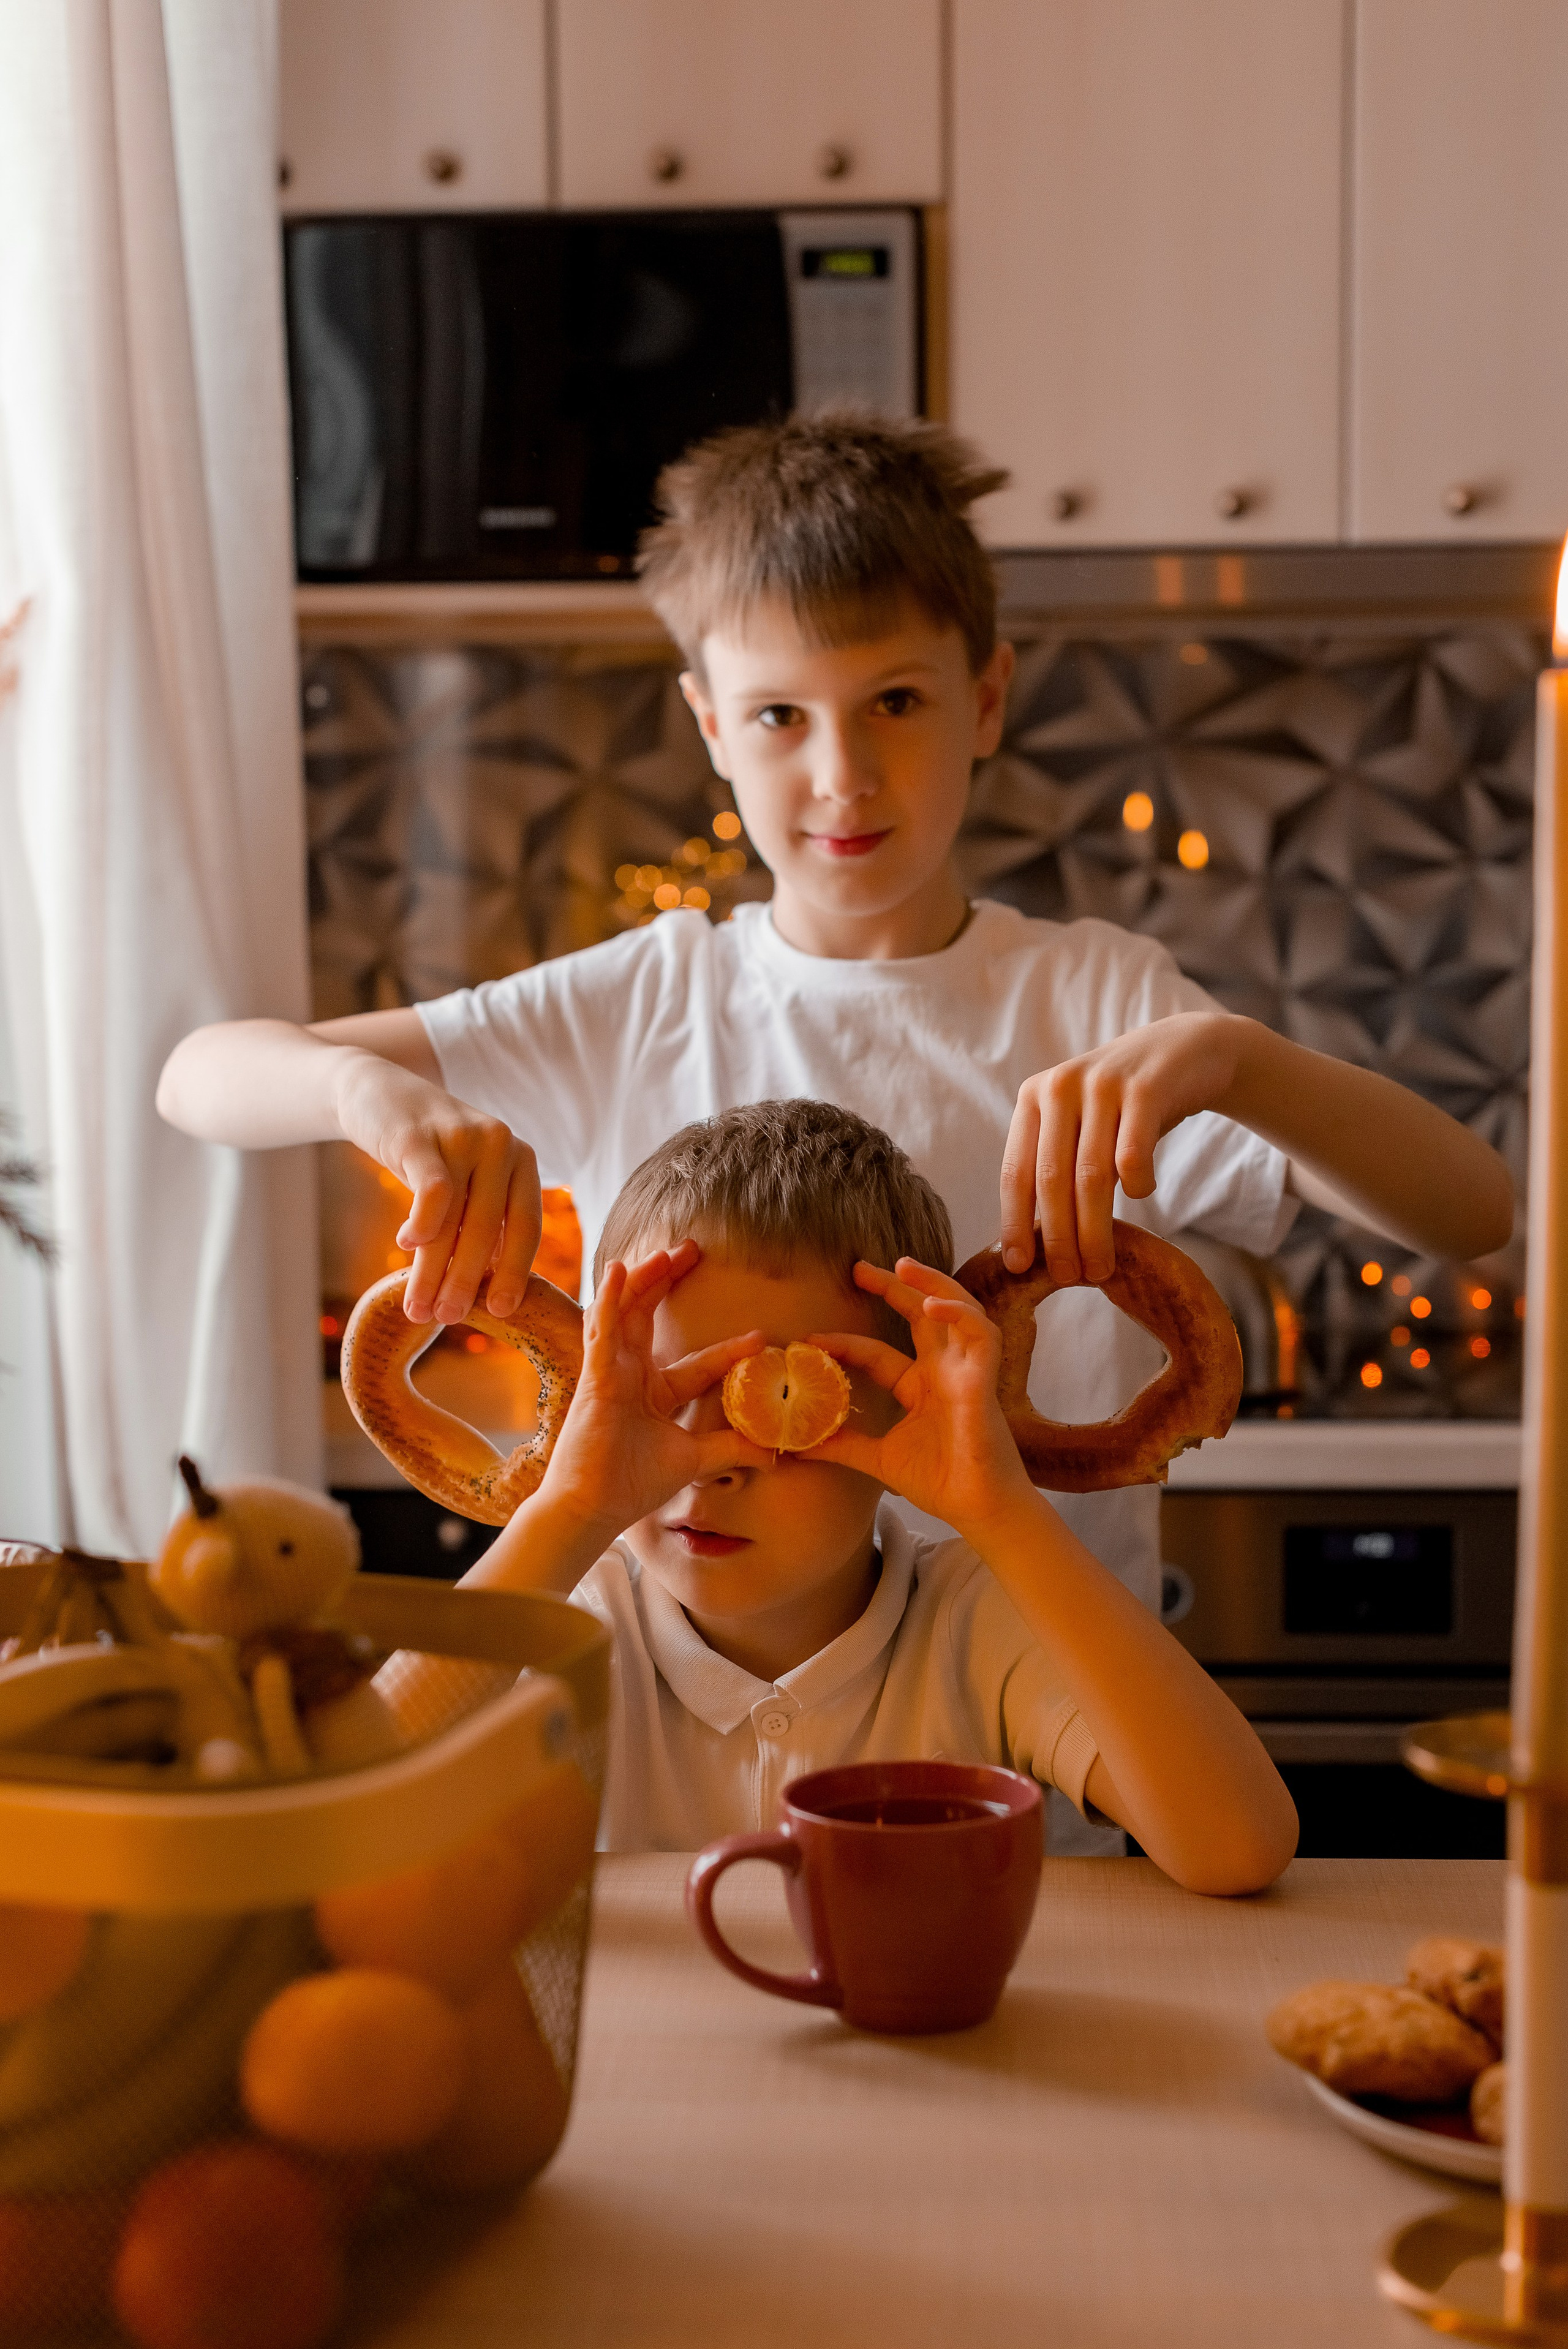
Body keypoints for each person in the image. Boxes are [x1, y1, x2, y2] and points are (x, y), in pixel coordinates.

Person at [157, 413, 1512, 1841]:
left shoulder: (1095, 998)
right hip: (677, 1709)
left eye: (896, 704)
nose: (842, 776)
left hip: (1048, 1756)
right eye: (780, 716)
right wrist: (365, 1090)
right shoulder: (646, 995)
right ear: (706, 722)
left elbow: (1466, 1212)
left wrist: (1236, 1063)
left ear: (985, 699)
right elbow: (198, 1078)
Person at [448, 1098, 1298, 1891]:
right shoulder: (567, 1625)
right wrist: (567, 1513)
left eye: (784, 1396)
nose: (709, 1463)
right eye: (661, 1394)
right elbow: (354, 1813)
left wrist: (1001, 1511)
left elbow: (1236, 1846)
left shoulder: (974, 1625)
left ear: (908, 1403)